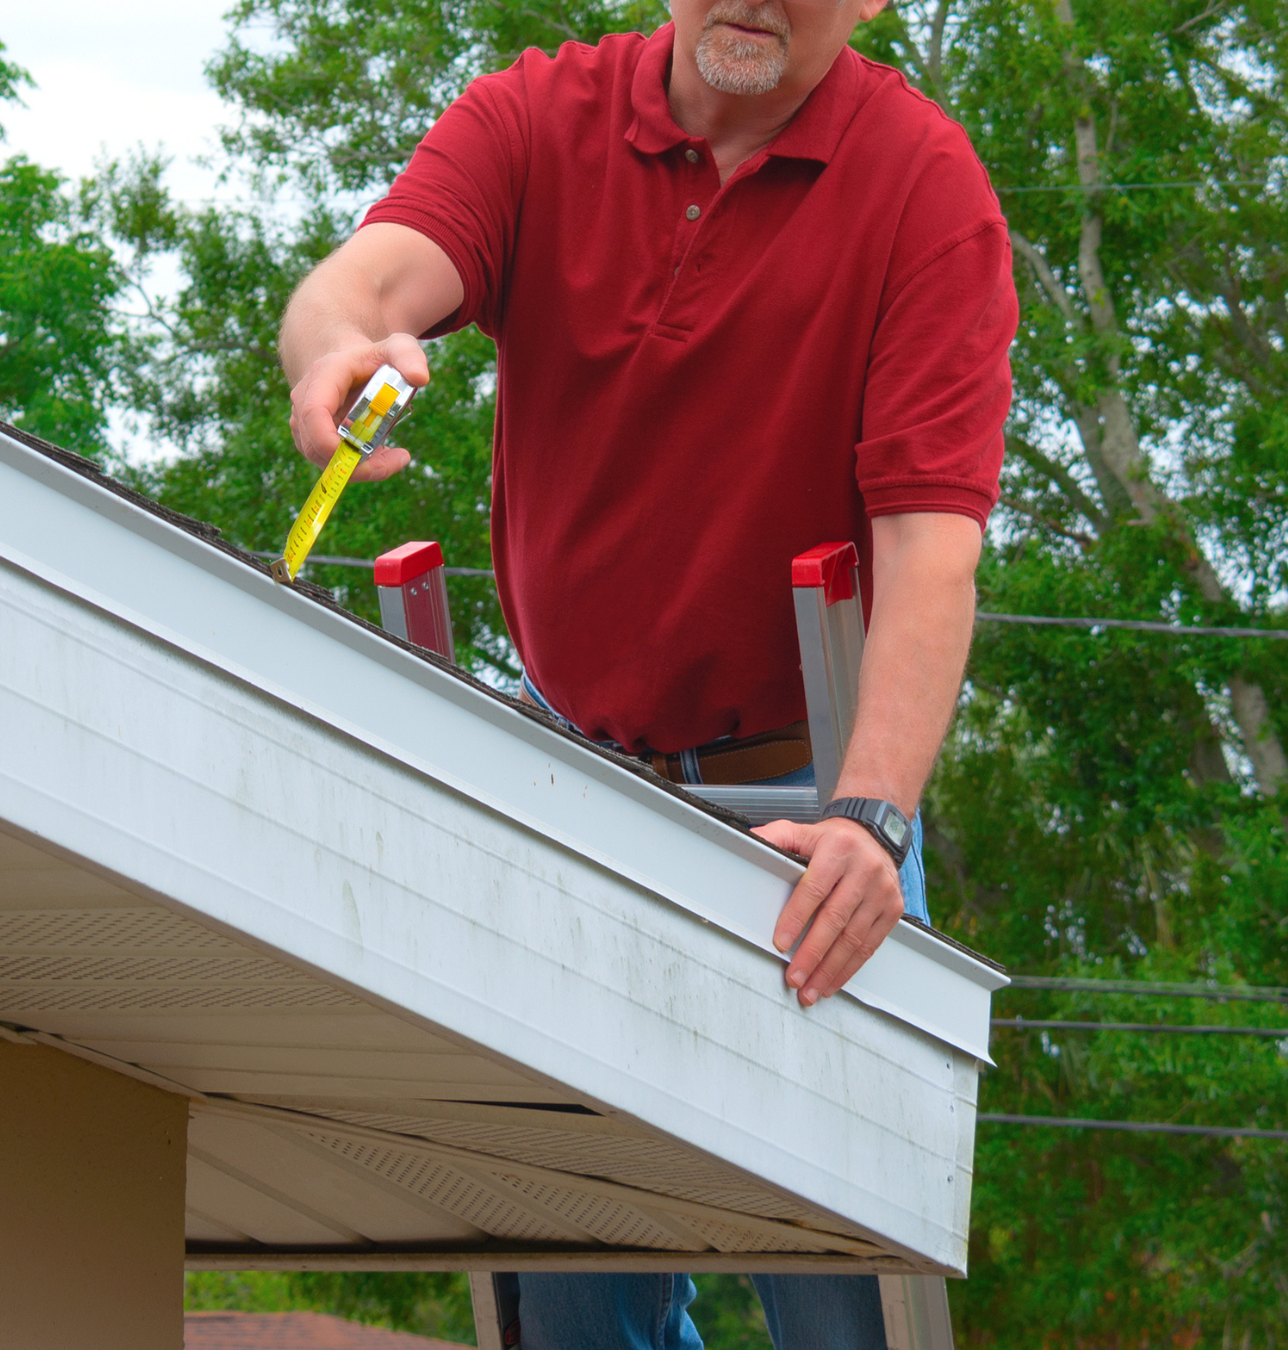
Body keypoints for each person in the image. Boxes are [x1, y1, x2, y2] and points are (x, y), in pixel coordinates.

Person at [280, 1, 1016, 1344]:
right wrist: (334, 347)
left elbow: (927, 546)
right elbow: (366, 286)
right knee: (565, 1289)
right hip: (567, 775)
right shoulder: (535, 120)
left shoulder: (923, 192)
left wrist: (870, 817)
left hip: (809, 809)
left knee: (844, 1297)